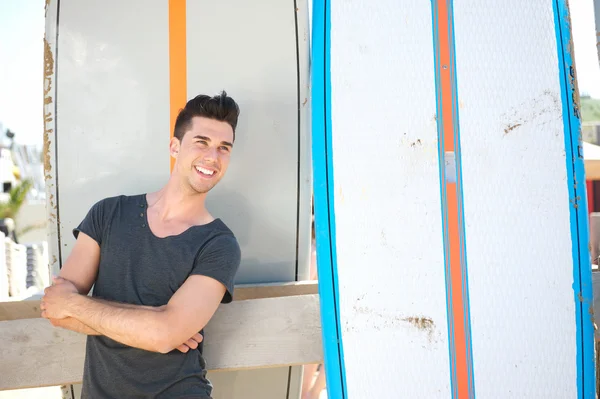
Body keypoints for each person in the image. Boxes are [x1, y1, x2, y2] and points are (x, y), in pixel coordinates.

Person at [40, 91, 242, 399]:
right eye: (201, 142)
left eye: (223, 148)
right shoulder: (108, 214)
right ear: (175, 147)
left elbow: (163, 336)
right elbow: (56, 310)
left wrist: (162, 330)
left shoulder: (219, 244)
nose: (212, 157)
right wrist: (156, 323)